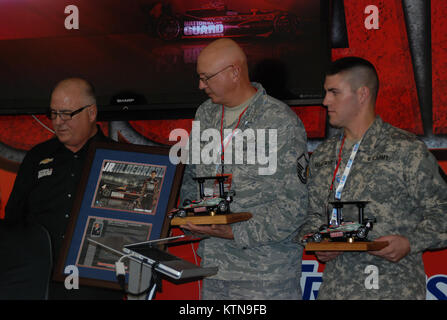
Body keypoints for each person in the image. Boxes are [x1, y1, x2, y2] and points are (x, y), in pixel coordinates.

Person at [299, 57, 447, 299]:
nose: (325, 101)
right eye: (326, 92)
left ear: (362, 94)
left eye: (334, 92)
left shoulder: (406, 150)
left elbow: (443, 211)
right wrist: (319, 241)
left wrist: (410, 242)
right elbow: (310, 215)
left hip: (394, 290)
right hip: (337, 290)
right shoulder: (323, 155)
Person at [179, 38, 309, 300]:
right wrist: (188, 218)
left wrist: (233, 231)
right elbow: (191, 178)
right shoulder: (205, 114)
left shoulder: (280, 121)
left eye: (207, 77)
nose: (200, 85)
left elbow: (295, 205)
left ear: (234, 72)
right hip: (215, 269)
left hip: (266, 274)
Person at [4, 78, 122, 299]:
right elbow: (14, 219)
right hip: (41, 283)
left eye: (67, 114)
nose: (58, 122)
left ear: (92, 113)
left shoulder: (119, 159)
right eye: (53, 113)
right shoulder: (37, 156)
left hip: (97, 283)